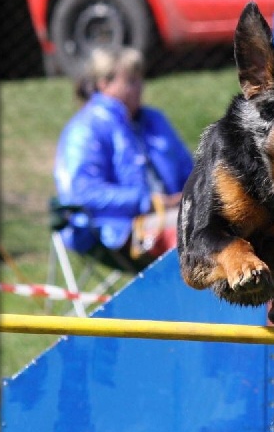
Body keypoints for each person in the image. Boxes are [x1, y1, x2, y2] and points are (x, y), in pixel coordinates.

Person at [53, 47, 194, 271]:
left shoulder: (154, 120)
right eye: (130, 81)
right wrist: (148, 202)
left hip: (176, 210)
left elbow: (190, 169)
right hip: (117, 227)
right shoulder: (86, 128)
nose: (139, 87)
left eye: (139, 79)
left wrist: (195, 193)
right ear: (104, 83)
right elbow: (83, 193)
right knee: (192, 231)